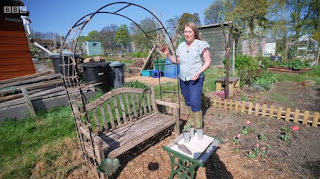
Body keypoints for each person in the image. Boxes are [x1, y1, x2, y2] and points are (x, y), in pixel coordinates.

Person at [163, 22, 211, 129]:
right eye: (185, 31)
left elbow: (208, 62)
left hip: (196, 79)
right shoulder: (181, 46)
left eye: (190, 31)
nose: (187, 34)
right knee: (188, 101)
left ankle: (198, 126)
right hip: (183, 78)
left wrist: (198, 72)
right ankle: (193, 121)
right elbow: (178, 60)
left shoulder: (201, 44)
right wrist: (168, 55)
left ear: (194, 33)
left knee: (195, 102)